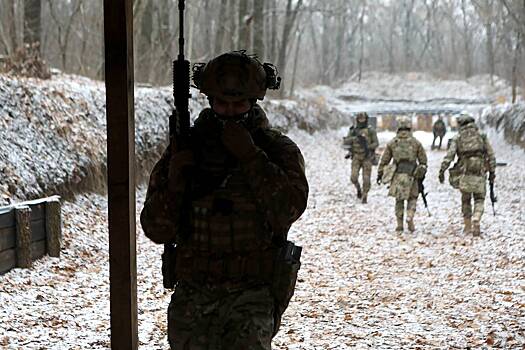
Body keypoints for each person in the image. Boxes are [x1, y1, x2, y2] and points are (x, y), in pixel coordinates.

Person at [140, 51, 309, 349]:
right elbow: (156, 228)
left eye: (239, 104)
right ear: (209, 101)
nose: (230, 112)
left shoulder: (276, 150)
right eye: (222, 103)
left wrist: (251, 158)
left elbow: (288, 211)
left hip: (251, 294)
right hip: (194, 295)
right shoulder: (187, 148)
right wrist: (176, 183)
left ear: (254, 102)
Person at [438, 114, 496, 236]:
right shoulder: (482, 136)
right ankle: (477, 218)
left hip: (464, 172)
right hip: (480, 171)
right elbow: (491, 155)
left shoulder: (457, 138)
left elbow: (450, 156)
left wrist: (442, 170)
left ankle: (468, 226)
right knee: (479, 198)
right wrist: (492, 172)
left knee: (466, 199)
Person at [377, 117, 427, 232]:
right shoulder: (416, 143)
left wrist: (380, 174)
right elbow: (423, 161)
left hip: (398, 174)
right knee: (413, 197)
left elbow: (384, 160)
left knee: (399, 200)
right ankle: (410, 215)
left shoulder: (392, 143)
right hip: (412, 174)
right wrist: (421, 172)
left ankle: (399, 224)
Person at [343, 112, 379, 203]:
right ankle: (358, 189)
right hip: (356, 156)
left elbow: (376, 143)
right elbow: (345, 142)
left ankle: (365, 195)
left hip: (367, 157)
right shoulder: (353, 130)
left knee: (366, 179)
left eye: (363, 119)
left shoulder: (371, 130)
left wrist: (368, 146)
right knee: (353, 177)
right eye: (360, 119)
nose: (361, 121)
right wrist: (354, 139)